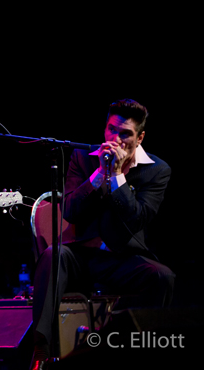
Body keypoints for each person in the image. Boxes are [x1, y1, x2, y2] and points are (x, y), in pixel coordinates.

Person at [30, 99, 175, 369]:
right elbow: (70, 211)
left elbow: (137, 219)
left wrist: (117, 175)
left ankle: (138, 348)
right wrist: (99, 173)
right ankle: (41, 350)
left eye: (125, 134)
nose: (116, 139)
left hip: (122, 258)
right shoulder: (83, 158)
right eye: (111, 130)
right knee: (53, 255)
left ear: (140, 138)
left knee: (162, 277)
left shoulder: (157, 170)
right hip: (82, 256)